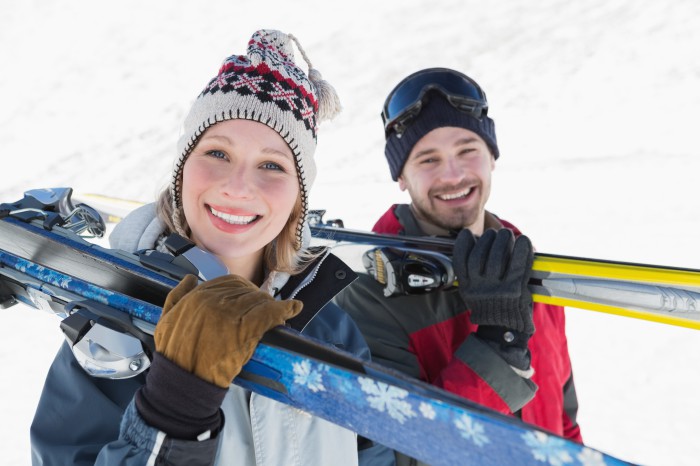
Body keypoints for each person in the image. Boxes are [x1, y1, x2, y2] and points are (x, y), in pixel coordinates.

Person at [30, 29, 390, 466]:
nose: (238, 186)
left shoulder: (332, 332)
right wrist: (171, 416)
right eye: (218, 153)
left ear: (299, 196)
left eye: (272, 165)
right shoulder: (113, 328)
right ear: (183, 169)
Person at [335, 67, 582, 464]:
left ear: (491, 157)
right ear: (401, 175)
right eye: (428, 159)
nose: (452, 175)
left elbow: (564, 421)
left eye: (467, 150)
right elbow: (404, 453)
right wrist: (497, 346)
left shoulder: (527, 269)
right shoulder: (368, 298)